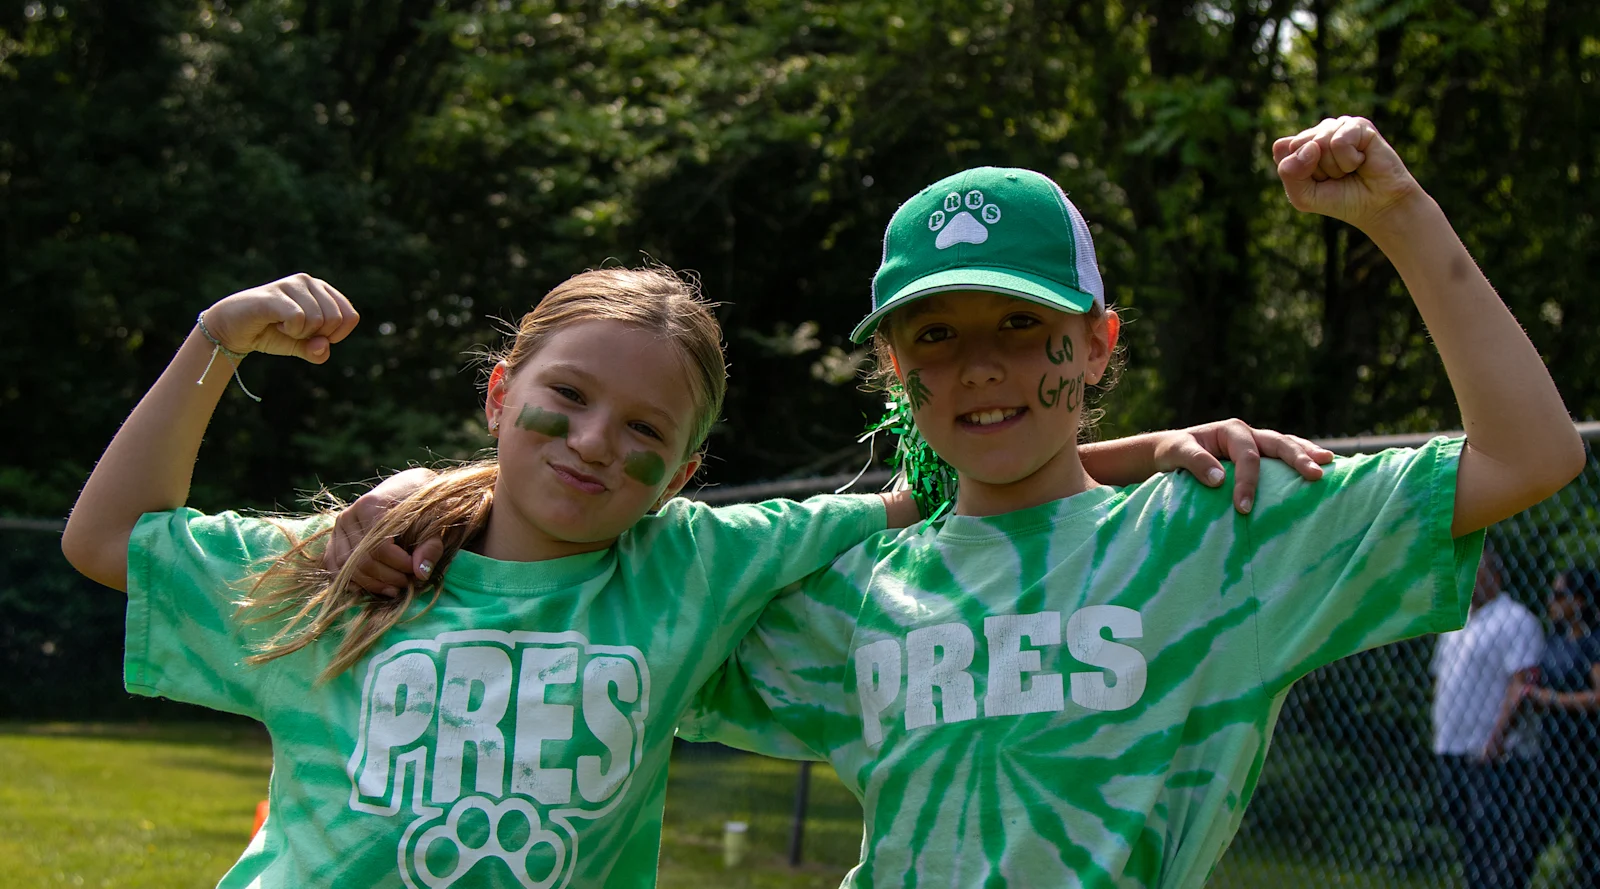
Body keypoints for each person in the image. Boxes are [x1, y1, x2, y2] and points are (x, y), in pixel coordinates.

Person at [60, 265, 1324, 889]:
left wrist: (1140, 448)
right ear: (501, 391)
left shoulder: (698, 562)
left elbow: (947, 487)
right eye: (565, 398)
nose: (593, 442)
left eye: (644, 433)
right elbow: (108, 539)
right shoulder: (367, 566)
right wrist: (218, 338)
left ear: (684, 472)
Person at [677, 115, 1585, 888]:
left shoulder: (1217, 533)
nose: (980, 365)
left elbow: (1528, 455)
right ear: (896, 369)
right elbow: (643, 594)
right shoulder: (858, 587)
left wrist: (1400, 214)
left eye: (1022, 323)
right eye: (937, 334)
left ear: (1098, 343)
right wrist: (1134, 449)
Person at [1433, 547, 1545, 889]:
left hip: (1495, 755)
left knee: (1494, 842)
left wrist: (1497, 739)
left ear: (1494, 575)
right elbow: (1442, 679)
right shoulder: (1454, 619)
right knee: (1468, 841)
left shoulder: (1515, 619)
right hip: (1451, 747)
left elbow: (1520, 684)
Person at [1521, 566, 1600, 888]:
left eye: (1558, 595)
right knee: (1526, 833)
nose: (1550, 602)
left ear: (1579, 601)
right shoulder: (1554, 640)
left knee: (1591, 844)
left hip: (1587, 756)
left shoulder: (1593, 643)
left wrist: (1552, 699)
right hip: (1552, 752)